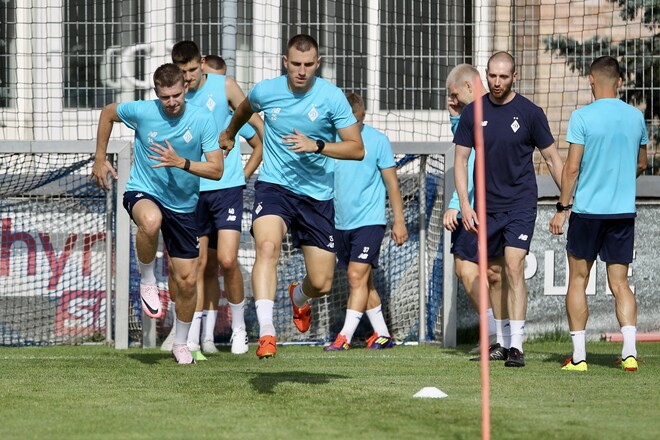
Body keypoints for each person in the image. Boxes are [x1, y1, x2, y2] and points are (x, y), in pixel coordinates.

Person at [219, 34, 364, 359]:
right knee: (267, 247)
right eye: (296, 64)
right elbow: (243, 109)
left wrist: (319, 145)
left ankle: (299, 296)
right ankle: (267, 332)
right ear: (286, 62)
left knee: (322, 282)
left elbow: (357, 148)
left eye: (308, 65)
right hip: (275, 186)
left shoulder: (331, 98)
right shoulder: (266, 91)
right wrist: (229, 134)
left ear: (318, 63)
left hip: (316, 197)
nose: (301, 71)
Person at [90, 63, 223, 364]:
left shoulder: (202, 119)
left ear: (185, 88)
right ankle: (148, 280)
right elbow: (108, 113)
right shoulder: (143, 111)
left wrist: (181, 163)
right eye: (165, 97)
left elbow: (216, 169)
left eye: (176, 95)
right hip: (143, 191)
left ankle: (180, 342)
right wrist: (99, 157)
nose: (172, 102)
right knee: (150, 221)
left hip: (184, 206)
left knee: (187, 282)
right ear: (156, 94)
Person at [453, 52, 564, 367]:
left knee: (514, 266)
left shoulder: (530, 113)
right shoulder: (473, 113)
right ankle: (501, 342)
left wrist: (568, 201)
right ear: (485, 76)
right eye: (492, 76)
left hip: (519, 203)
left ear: (515, 76)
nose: (497, 82)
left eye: (503, 76)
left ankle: (516, 346)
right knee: (493, 273)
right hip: (485, 208)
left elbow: (554, 159)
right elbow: (460, 161)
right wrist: (464, 204)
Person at [161, 40, 264, 358]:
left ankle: (239, 331)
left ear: (202, 63)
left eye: (192, 69)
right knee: (194, 267)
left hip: (227, 188)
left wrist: (242, 174)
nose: (187, 77)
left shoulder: (226, 86)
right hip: (191, 191)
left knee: (229, 260)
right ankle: (188, 336)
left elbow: (259, 130)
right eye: (182, 71)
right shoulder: (175, 99)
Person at [549, 56, 648, 372]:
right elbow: (642, 163)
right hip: (622, 212)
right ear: (619, 81)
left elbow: (572, 167)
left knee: (578, 279)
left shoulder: (582, 116)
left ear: (591, 80)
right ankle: (629, 353)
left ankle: (579, 358)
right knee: (620, 283)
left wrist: (562, 209)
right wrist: (617, 182)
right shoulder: (636, 117)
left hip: (588, 212)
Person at [323, 92, 408, 351]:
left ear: (364, 117)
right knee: (363, 282)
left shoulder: (378, 141)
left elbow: (392, 184)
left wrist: (399, 221)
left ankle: (344, 338)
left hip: (369, 222)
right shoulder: (330, 142)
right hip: (340, 223)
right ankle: (382, 334)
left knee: (355, 276)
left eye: (357, 123)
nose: (353, 128)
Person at [442, 64, 506, 358]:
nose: (452, 100)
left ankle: (495, 336)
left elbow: (467, 166)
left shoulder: (482, 114)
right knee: (492, 273)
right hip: (493, 205)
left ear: (469, 86)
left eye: (454, 94)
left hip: (480, 205)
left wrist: (457, 205)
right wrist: (456, 117)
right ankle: (502, 335)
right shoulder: (479, 113)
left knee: (467, 267)